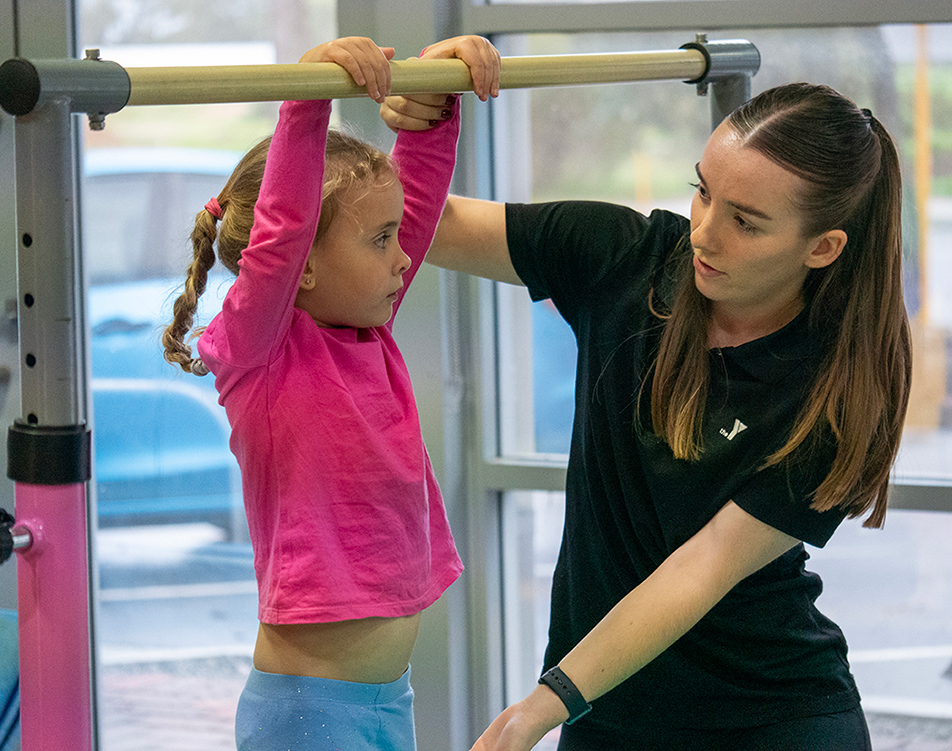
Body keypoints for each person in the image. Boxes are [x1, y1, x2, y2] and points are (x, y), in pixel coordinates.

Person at [381, 82, 910, 750]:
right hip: (605, 710)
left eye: (746, 221)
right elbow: (416, 226)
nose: (705, 232)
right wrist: (420, 122)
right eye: (703, 191)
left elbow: (701, 568)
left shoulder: (836, 391)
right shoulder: (626, 259)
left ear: (823, 247)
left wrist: (541, 706)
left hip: (770, 717)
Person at [161, 35, 501, 751]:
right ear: (302, 267)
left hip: (384, 703)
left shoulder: (363, 331)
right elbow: (284, 230)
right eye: (378, 239)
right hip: (308, 715)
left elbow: (419, 208)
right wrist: (309, 97)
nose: (404, 254)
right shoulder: (260, 352)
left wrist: (436, 104)